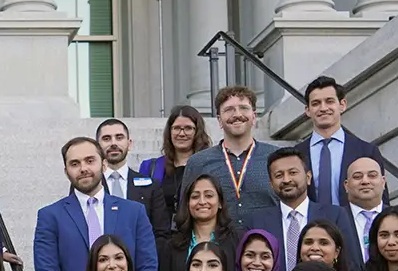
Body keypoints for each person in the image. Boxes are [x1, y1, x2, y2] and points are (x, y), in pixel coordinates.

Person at [34, 136, 158, 271]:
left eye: (89, 160)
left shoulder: (134, 212)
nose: (83, 168)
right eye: (75, 163)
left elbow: (148, 267)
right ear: (66, 171)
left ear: (104, 164)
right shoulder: (50, 216)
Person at [250, 147, 361, 271]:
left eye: (293, 172)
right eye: (279, 175)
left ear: (308, 177)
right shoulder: (256, 221)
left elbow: (351, 265)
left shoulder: (335, 215)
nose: (286, 180)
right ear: (271, 184)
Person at [181, 86, 278, 225]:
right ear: (219, 120)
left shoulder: (276, 157)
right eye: (229, 110)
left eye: (243, 108)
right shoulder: (198, 162)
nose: (237, 114)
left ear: (254, 117)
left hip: (267, 238)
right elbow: (185, 212)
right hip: (216, 238)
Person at [297, 76, 387, 208]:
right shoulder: (296, 154)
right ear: (308, 110)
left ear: (342, 105)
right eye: (316, 103)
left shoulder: (366, 151)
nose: (323, 108)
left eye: (329, 101)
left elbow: (381, 201)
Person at [156, 173, 240, 271]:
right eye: (195, 196)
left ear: (220, 202)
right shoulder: (172, 246)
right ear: (187, 203)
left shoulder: (236, 240)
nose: (202, 201)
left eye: (209, 195)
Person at [140, 106, 212, 241]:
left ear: (197, 132)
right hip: (159, 241)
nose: (182, 133)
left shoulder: (208, 167)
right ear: (169, 131)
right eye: (176, 128)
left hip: (197, 240)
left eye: (188, 128)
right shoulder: (149, 167)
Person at [96, 119, 164, 232]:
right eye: (106, 139)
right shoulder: (87, 184)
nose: (113, 143)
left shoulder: (151, 186)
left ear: (129, 144)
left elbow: (161, 232)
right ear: (97, 146)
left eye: (119, 137)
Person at [343, 156, 387, 263]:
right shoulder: (334, 220)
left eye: (372, 175)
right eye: (357, 177)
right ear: (346, 186)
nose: (365, 181)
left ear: (383, 182)